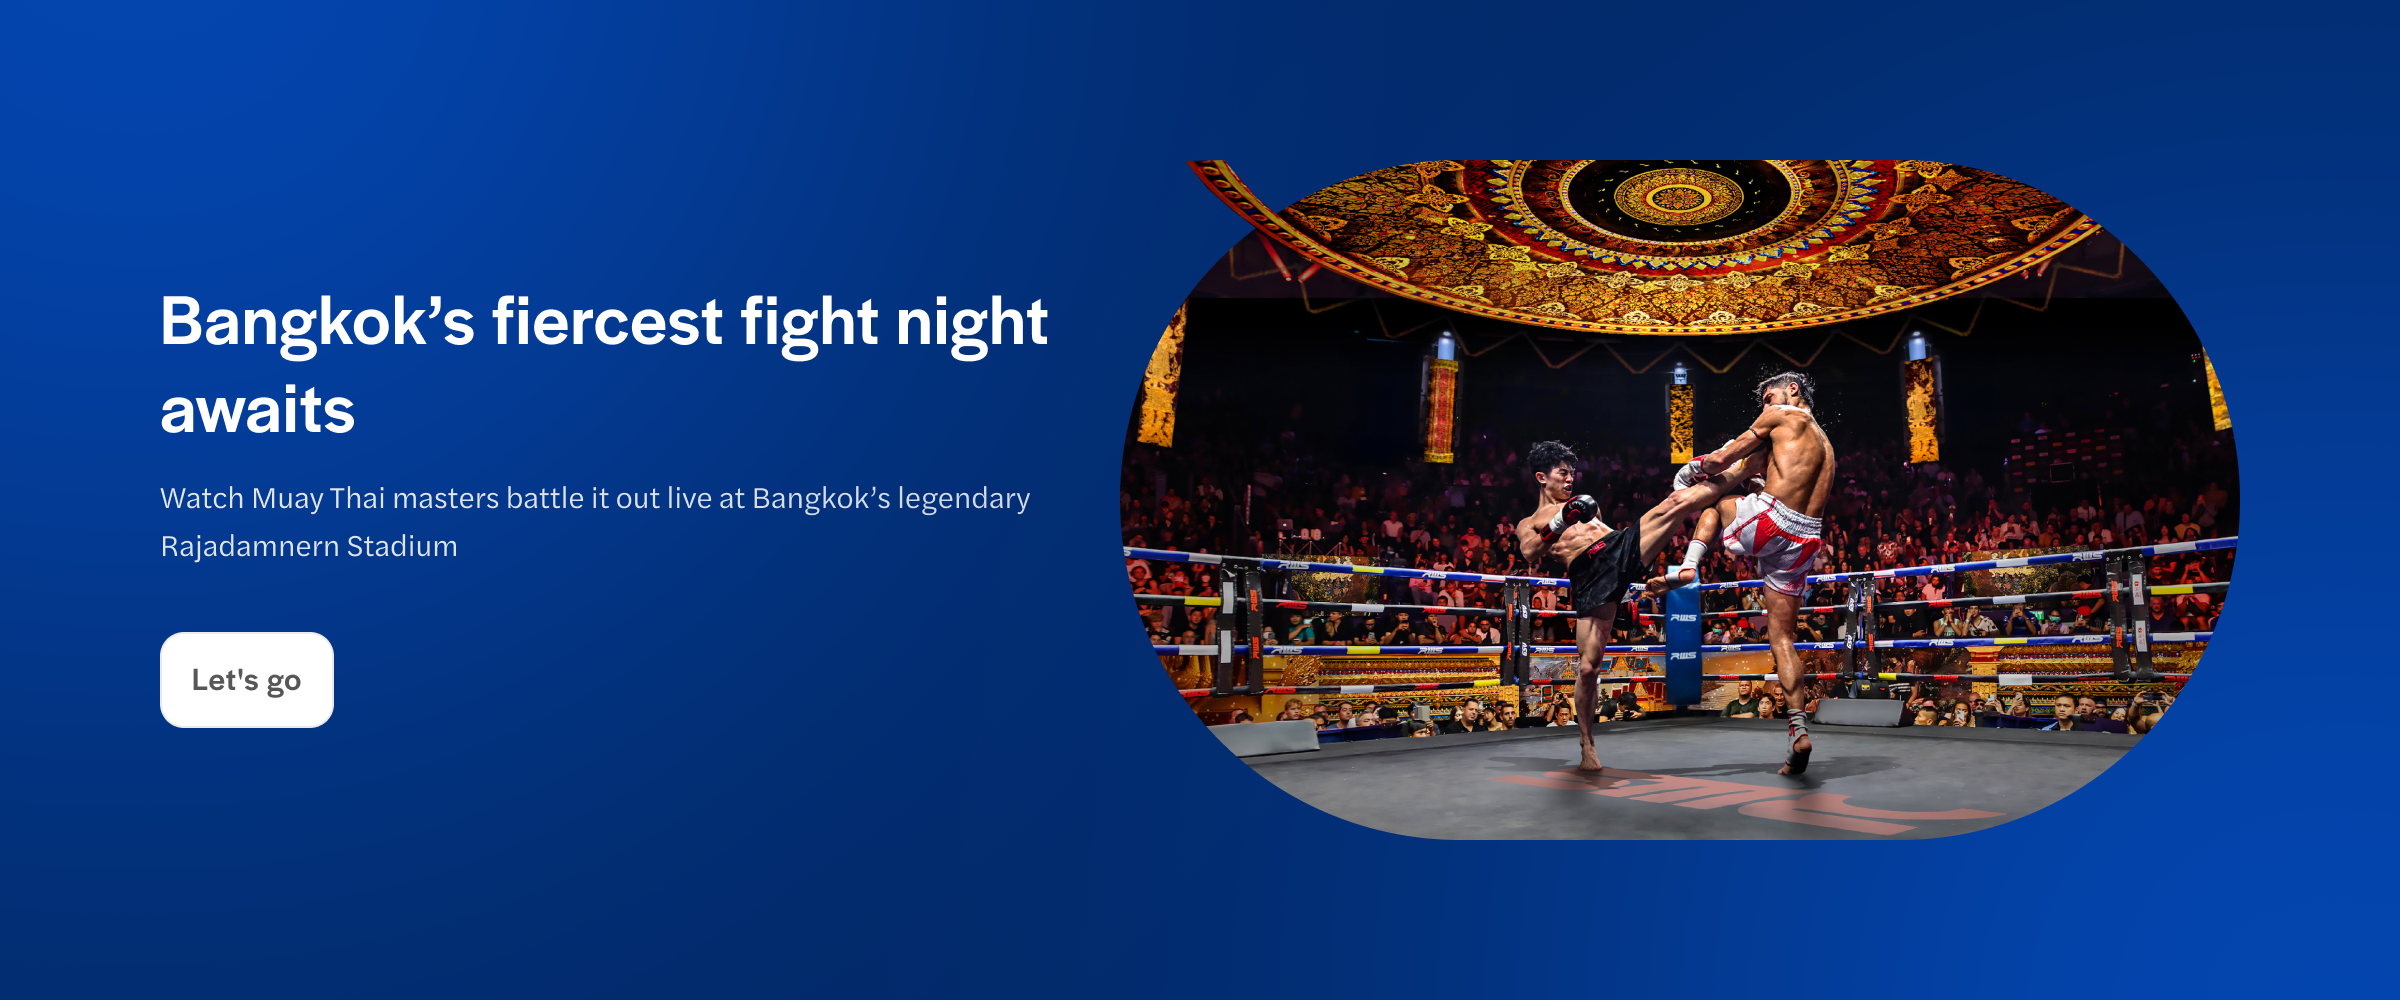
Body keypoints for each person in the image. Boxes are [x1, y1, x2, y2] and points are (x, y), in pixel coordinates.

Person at [1641, 372, 1837, 774]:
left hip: (1776, 521)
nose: (1766, 405)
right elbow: (1791, 482)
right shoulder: (1826, 445)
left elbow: (1720, 459)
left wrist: (1692, 469)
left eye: (1768, 396)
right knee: (1782, 638)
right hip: (1808, 539)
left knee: (1716, 505)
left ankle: (1688, 569)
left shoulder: (1781, 415)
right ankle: (1798, 731)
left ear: (1792, 390)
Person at [1514, 439, 1751, 772]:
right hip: (1588, 576)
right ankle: (1587, 742)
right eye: (1562, 473)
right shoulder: (1530, 521)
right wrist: (1561, 521)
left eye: (1572, 473)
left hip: (1618, 547)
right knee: (1588, 669)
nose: (1570, 479)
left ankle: (1749, 464)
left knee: (1677, 501)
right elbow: (1529, 552)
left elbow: (1608, 537)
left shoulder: (1586, 504)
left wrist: (1625, 590)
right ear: (1541, 477)